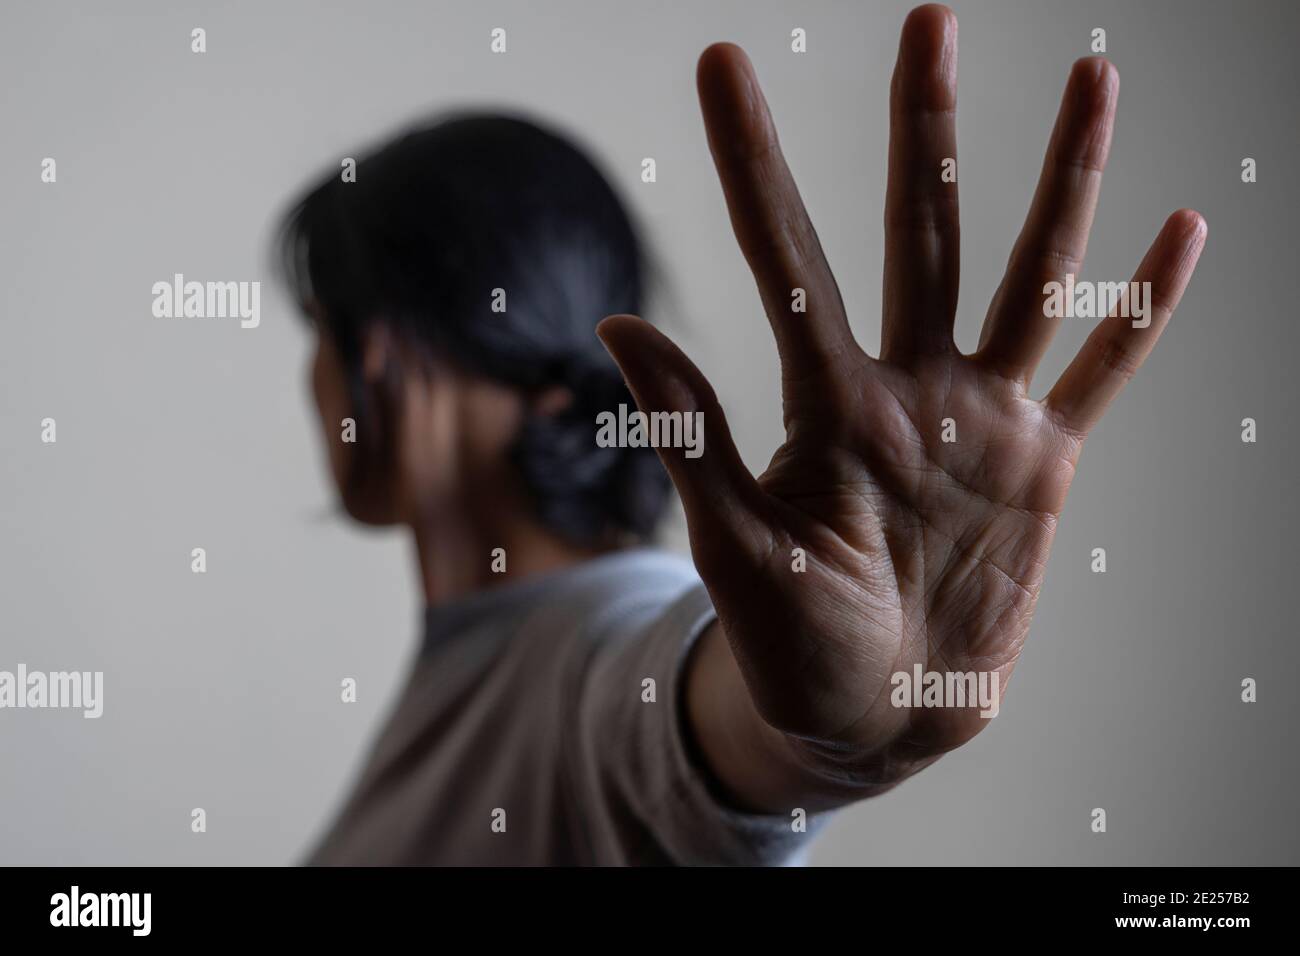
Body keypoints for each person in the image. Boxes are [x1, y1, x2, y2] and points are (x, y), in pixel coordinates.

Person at [280, 4, 1206, 865]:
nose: (313, 377)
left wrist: (824, 743)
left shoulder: (592, 647)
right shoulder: (475, 662)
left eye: (325, 327)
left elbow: (684, 724)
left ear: (390, 350)